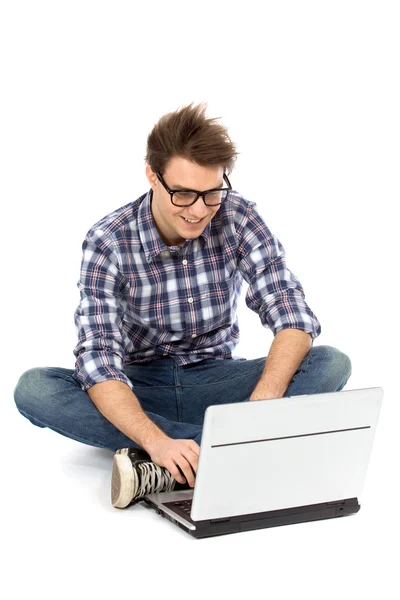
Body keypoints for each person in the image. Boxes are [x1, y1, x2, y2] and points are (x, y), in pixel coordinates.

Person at [14, 102, 352, 509]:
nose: (198, 211)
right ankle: (217, 451)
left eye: (211, 194)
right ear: (152, 177)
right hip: (141, 389)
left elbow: (292, 316)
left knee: (331, 362)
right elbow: (98, 358)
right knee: (34, 388)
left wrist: (259, 410)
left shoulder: (238, 215)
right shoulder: (108, 240)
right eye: (184, 194)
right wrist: (156, 439)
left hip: (219, 380)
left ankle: (182, 461)